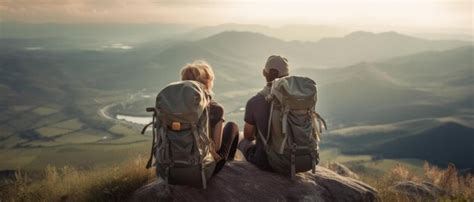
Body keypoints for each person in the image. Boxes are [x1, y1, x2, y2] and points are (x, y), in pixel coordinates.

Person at [180, 60, 239, 175]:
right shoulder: (216, 109)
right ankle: (230, 164)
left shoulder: (176, 107)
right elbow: (216, 148)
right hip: (204, 168)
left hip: (177, 165)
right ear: (207, 83)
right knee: (232, 126)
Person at [238, 55, 289, 171]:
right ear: (287, 76)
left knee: (241, 138)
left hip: (267, 161)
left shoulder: (254, 101)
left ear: (263, 73)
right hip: (294, 158)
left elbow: (248, 135)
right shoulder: (296, 100)